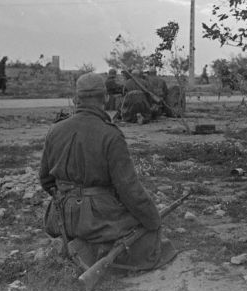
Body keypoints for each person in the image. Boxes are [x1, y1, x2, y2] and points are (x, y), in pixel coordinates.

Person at [39, 73, 176, 271]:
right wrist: (153, 220)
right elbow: (129, 189)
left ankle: (76, 245)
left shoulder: (55, 130)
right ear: (105, 98)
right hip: (94, 221)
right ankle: (96, 252)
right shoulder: (110, 134)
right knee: (147, 233)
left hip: (59, 220)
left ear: (76, 99)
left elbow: (45, 180)